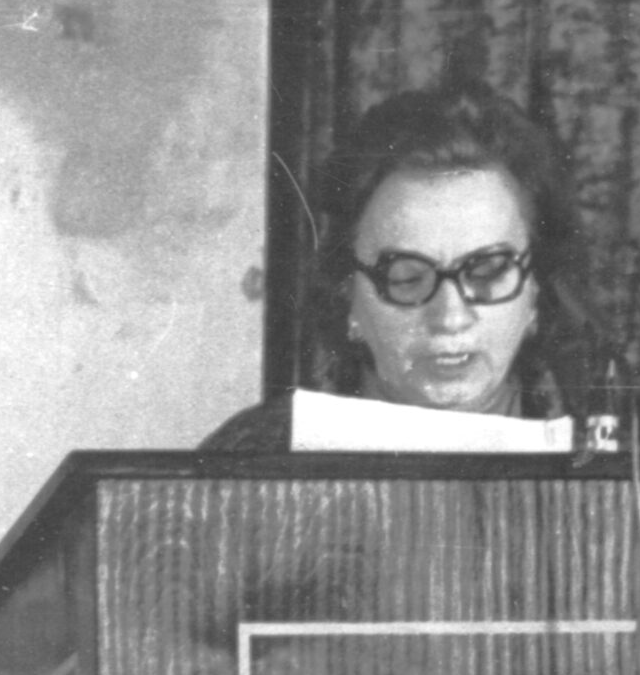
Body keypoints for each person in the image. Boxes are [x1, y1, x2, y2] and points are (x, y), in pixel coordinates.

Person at [202, 82, 612, 451]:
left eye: (488, 272)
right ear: (347, 295)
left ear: (536, 291)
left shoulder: (612, 457)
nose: (450, 317)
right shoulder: (250, 456)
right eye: (408, 278)